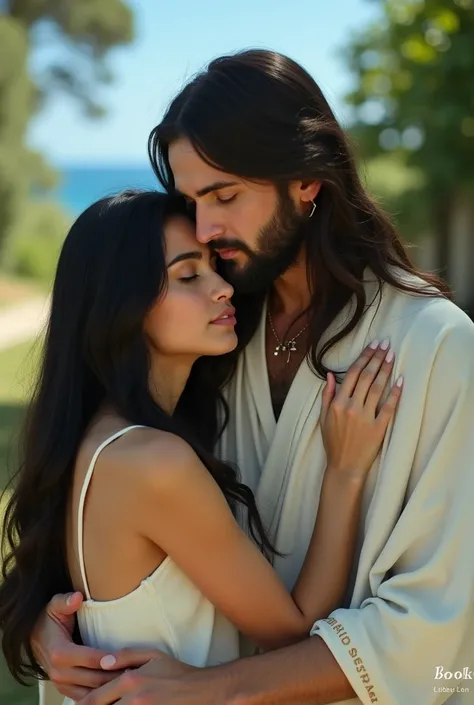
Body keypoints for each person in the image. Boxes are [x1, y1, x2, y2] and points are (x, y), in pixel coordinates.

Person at [25, 50, 474, 705]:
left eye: (225, 195)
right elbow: (103, 485)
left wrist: (217, 690)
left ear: (306, 181)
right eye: (191, 200)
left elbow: (442, 645)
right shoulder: (223, 329)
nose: (207, 229)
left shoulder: (436, 347)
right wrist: (56, 619)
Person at [0, 189, 400, 704]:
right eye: (189, 276)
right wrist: (345, 472)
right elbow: (294, 631)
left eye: (216, 268)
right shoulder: (151, 463)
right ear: (121, 305)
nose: (222, 289)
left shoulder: (102, 436)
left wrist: (36, 620)